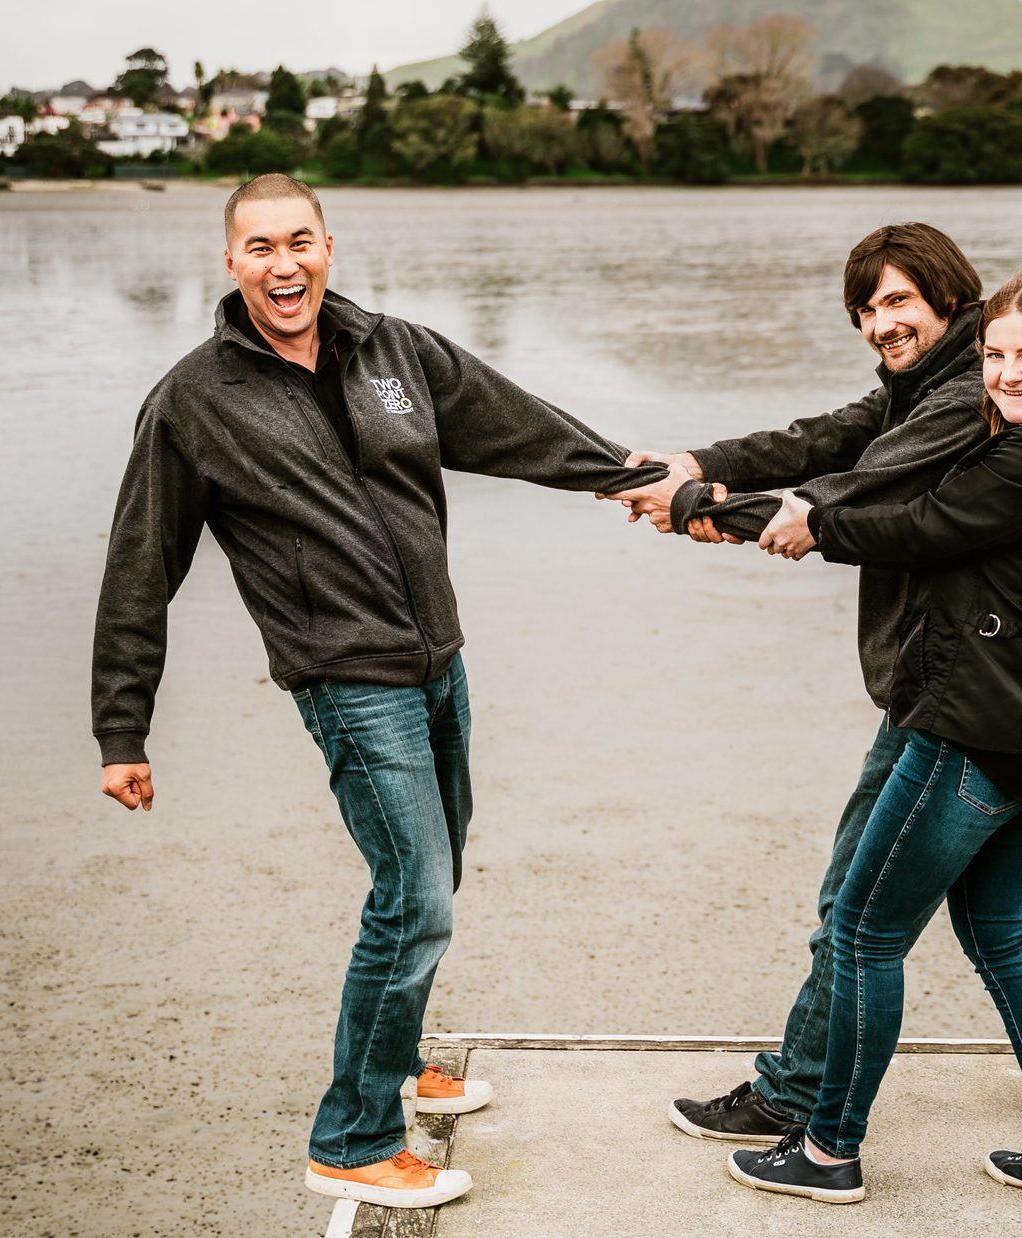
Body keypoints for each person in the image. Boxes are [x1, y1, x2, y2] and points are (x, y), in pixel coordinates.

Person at [91, 174, 666, 1210]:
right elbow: (140, 565)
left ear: (327, 247)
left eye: (299, 242)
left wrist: (634, 475)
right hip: (348, 679)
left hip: (438, 660)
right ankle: (350, 1136)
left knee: (435, 868)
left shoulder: (393, 351)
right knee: (414, 894)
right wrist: (121, 728)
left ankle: (396, 1062)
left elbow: (519, 426)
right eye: (261, 247)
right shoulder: (194, 401)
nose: (283, 265)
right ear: (231, 263)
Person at [600, 225, 1022, 1143]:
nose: (881, 323)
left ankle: (807, 1106)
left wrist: (709, 509)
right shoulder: (948, 387)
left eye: (898, 301)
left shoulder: (977, 405)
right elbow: (831, 440)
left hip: (960, 702)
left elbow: (876, 501)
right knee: (1014, 910)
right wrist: (702, 467)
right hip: (973, 696)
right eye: (866, 308)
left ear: (952, 300)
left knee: (858, 914)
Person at [717, 271, 1022, 1210]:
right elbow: (896, 486)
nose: (1008, 373)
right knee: (1004, 937)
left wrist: (788, 522)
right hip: (1021, 727)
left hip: (967, 730)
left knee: (864, 934)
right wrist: (753, 502)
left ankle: (829, 1151)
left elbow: (922, 524)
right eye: (994, 356)